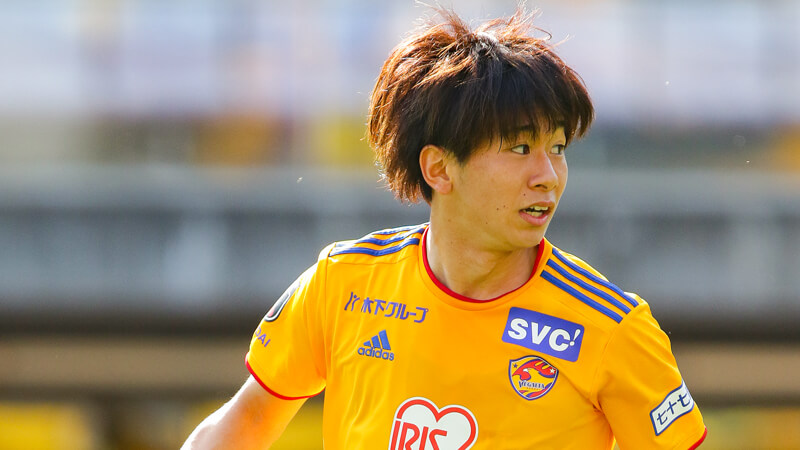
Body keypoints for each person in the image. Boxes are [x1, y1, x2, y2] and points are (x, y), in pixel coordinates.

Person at [183, 6, 707, 449]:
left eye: (558, 148)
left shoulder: (611, 329)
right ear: (438, 168)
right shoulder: (343, 285)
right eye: (520, 148)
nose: (547, 175)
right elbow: (245, 423)